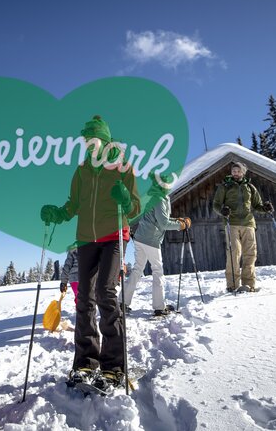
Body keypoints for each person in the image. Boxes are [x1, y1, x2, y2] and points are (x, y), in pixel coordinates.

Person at [40, 115, 140, 394]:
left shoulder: (123, 166)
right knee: (84, 298)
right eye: (85, 140)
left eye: (92, 139)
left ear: (105, 140)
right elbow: (73, 205)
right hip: (86, 239)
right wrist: (56, 214)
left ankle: (113, 366)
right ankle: (85, 362)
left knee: (107, 294)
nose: (87, 144)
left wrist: (125, 199)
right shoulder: (82, 169)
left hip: (114, 236)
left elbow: (134, 208)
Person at [123, 180, 189, 316]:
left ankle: (122, 302)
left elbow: (159, 217)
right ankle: (159, 307)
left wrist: (177, 220)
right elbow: (164, 223)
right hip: (150, 240)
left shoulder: (155, 196)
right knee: (157, 271)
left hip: (141, 238)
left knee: (137, 270)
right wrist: (180, 226)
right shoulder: (159, 198)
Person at [212, 162, 273, 292]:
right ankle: (232, 285)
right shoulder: (225, 186)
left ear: (243, 172)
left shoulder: (250, 187)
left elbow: (257, 205)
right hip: (231, 223)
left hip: (248, 223)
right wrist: (222, 211)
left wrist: (265, 208)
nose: (235, 173)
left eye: (238, 171)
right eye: (233, 170)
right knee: (234, 253)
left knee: (250, 254)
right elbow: (216, 204)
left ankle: (249, 284)